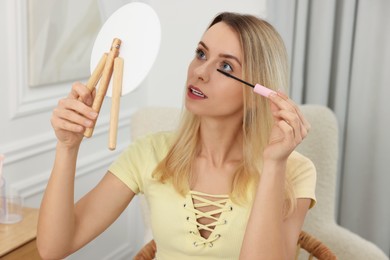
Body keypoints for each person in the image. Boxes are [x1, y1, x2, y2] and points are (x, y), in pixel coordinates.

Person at [37, 12, 316, 260]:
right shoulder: (150, 153)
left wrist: (274, 165)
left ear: (259, 95)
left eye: (226, 67)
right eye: (201, 54)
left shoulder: (294, 170)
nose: (199, 72)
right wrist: (66, 147)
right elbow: (53, 249)